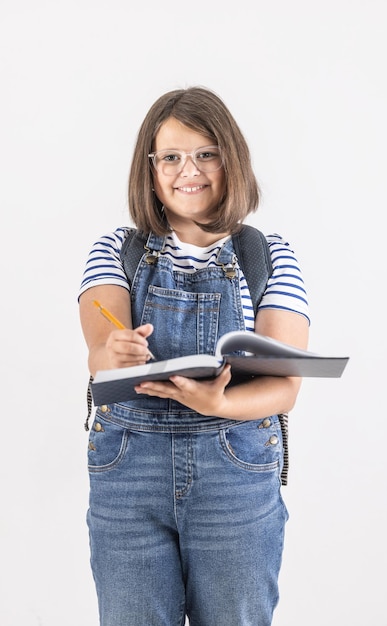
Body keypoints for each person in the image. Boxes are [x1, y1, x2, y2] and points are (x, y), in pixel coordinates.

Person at [78, 86, 310, 626]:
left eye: (207, 154)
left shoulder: (268, 255)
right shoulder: (116, 249)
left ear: (231, 161)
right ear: (150, 168)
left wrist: (220, 403)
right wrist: (112, 351)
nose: (191, 170)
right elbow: (97, 347)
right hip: (127, 470)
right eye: (173, 157)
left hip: (235, 467)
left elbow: (285, 389)